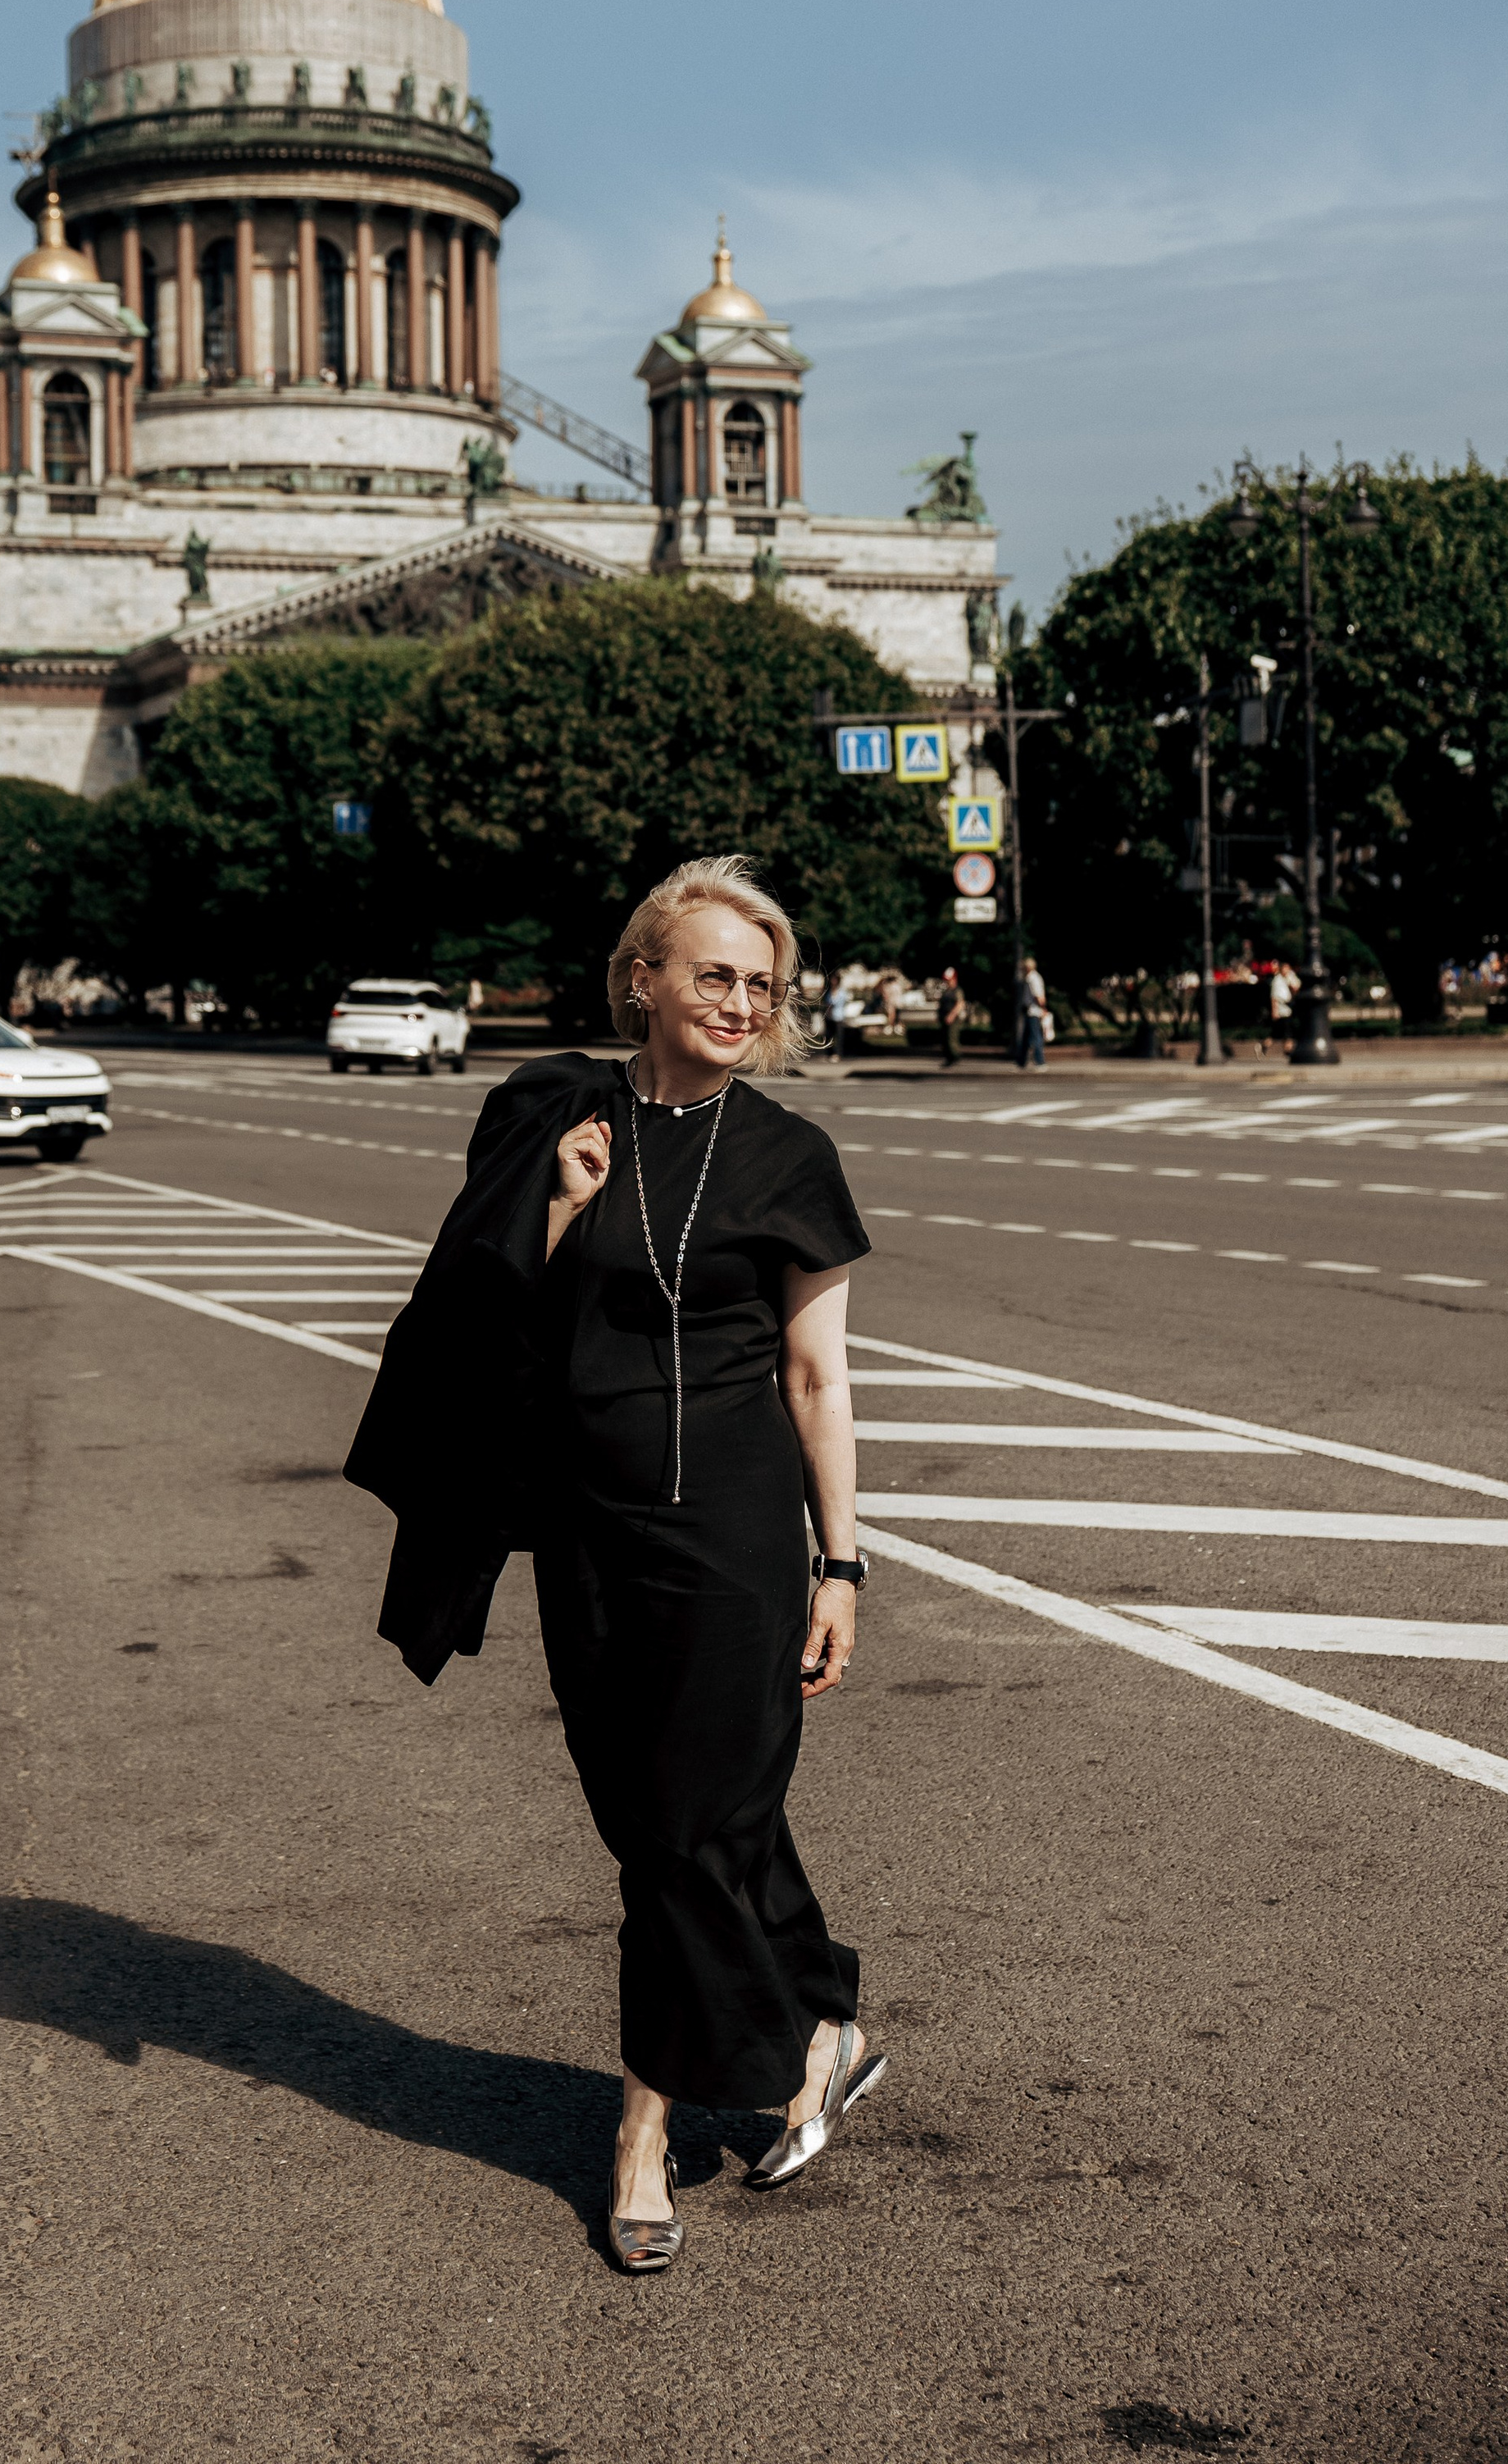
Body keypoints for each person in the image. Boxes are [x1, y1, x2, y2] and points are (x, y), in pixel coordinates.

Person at [345, 856, 883, 2276]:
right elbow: (465, 1314)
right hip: (584, 1529)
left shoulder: (790, 1156)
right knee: (656, 1817)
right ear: (642, 978)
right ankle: (819, 2019)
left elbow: (818, 1377)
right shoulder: (552, 1118)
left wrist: (842, 1566)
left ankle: (647, 2135)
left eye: (762, 985)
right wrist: (554, 1212)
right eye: (713, 975)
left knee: (683, 1832)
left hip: (733, 1542)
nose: (740, 1003)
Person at [1014, 955, 1048, 1070]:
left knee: (1035, 1037)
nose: (1022, 970)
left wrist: (1043, 1008)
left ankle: (1040, 1062)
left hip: (1034, 1011)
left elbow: (1038, 996)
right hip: (1030, 1011)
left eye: (1023, 967)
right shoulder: (1031, 978)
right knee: (1026, 1038)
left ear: (1028, 967)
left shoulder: (1033, 978)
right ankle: (1021, 1062)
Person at [936, 965, 966, 1070]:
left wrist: (952, 1015)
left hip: (953, 1018)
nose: (947, 982)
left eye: (949, 980)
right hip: (944, 1017)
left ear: (954, 979)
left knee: (951, 1038)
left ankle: (955, 1057)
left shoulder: (957, 991)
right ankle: (948, 1058)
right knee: (945, 1039)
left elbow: (960, 1004)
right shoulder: (947, 991)